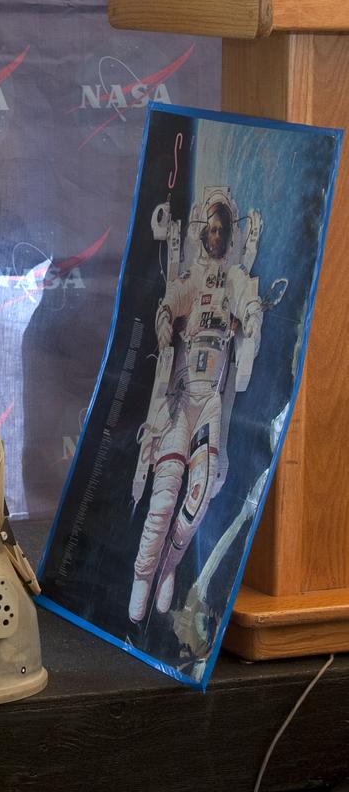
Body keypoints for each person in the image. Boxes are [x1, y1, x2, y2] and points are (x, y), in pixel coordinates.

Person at [128, 189, 265, 624]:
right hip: (181, 397)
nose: (217, 235)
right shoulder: (192, 279)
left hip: (209, 403)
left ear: (229, 236)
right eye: (212, 229)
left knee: (199, 493)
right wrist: (166, 320)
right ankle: (143, 576)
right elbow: (171, 302)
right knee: (164, 496)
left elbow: (252, 307)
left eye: (224, 230)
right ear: (203, 233)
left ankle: (169, 564)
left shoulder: (236, 278)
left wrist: (252, 328)